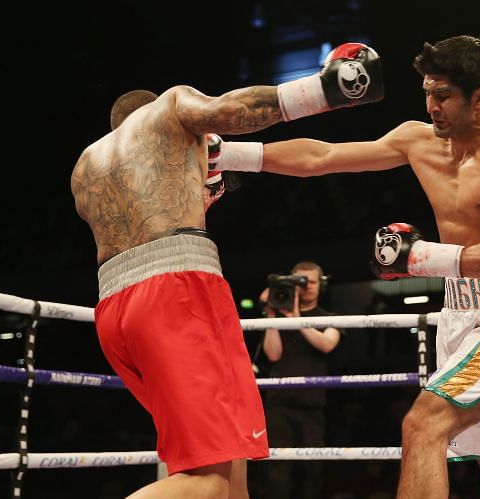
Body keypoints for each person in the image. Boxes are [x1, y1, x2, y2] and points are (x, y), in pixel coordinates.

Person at [215, 35, 480, 498]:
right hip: (460, 310)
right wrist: (229, 153)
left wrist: (423, 257)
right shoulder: (418, 141)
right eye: (427, 92)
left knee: (423, 424)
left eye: (443, 95)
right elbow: (321, 157)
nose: (431, 106)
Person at [70, 43, 382, 499]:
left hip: (116, 307)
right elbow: (227, 111)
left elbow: (149, 219)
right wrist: (324, 91)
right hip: (175, 292)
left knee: (231, 466)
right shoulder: (171, 108)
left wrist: (205, 187)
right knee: (208, 483)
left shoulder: (85, 168)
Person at [258, 261, 341, 499]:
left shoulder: (329, 317)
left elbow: (327, 344)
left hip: (312, 405)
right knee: (276, 474)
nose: (306, 287)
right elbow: (272, 354)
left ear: (321, 284)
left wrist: (296, 319)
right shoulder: (280, 315)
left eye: (311, 282)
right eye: (300, 282)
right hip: (279, 404)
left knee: (311, 473)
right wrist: (273, 315)